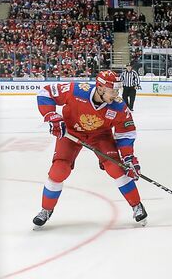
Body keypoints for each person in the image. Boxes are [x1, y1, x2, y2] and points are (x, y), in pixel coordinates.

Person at [33, 70, 146, 229]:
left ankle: (136, 205)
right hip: (71, 133)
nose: (116, 94)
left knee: (116, 168)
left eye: (117, 90)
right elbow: (46, 92)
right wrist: (51, 115)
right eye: (112, 90)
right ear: (100, 88)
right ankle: (46, 209)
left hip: (101, 136)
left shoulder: (119, 106)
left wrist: (128, 158)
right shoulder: (78, 90)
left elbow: (126, 132)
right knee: (59, 170)